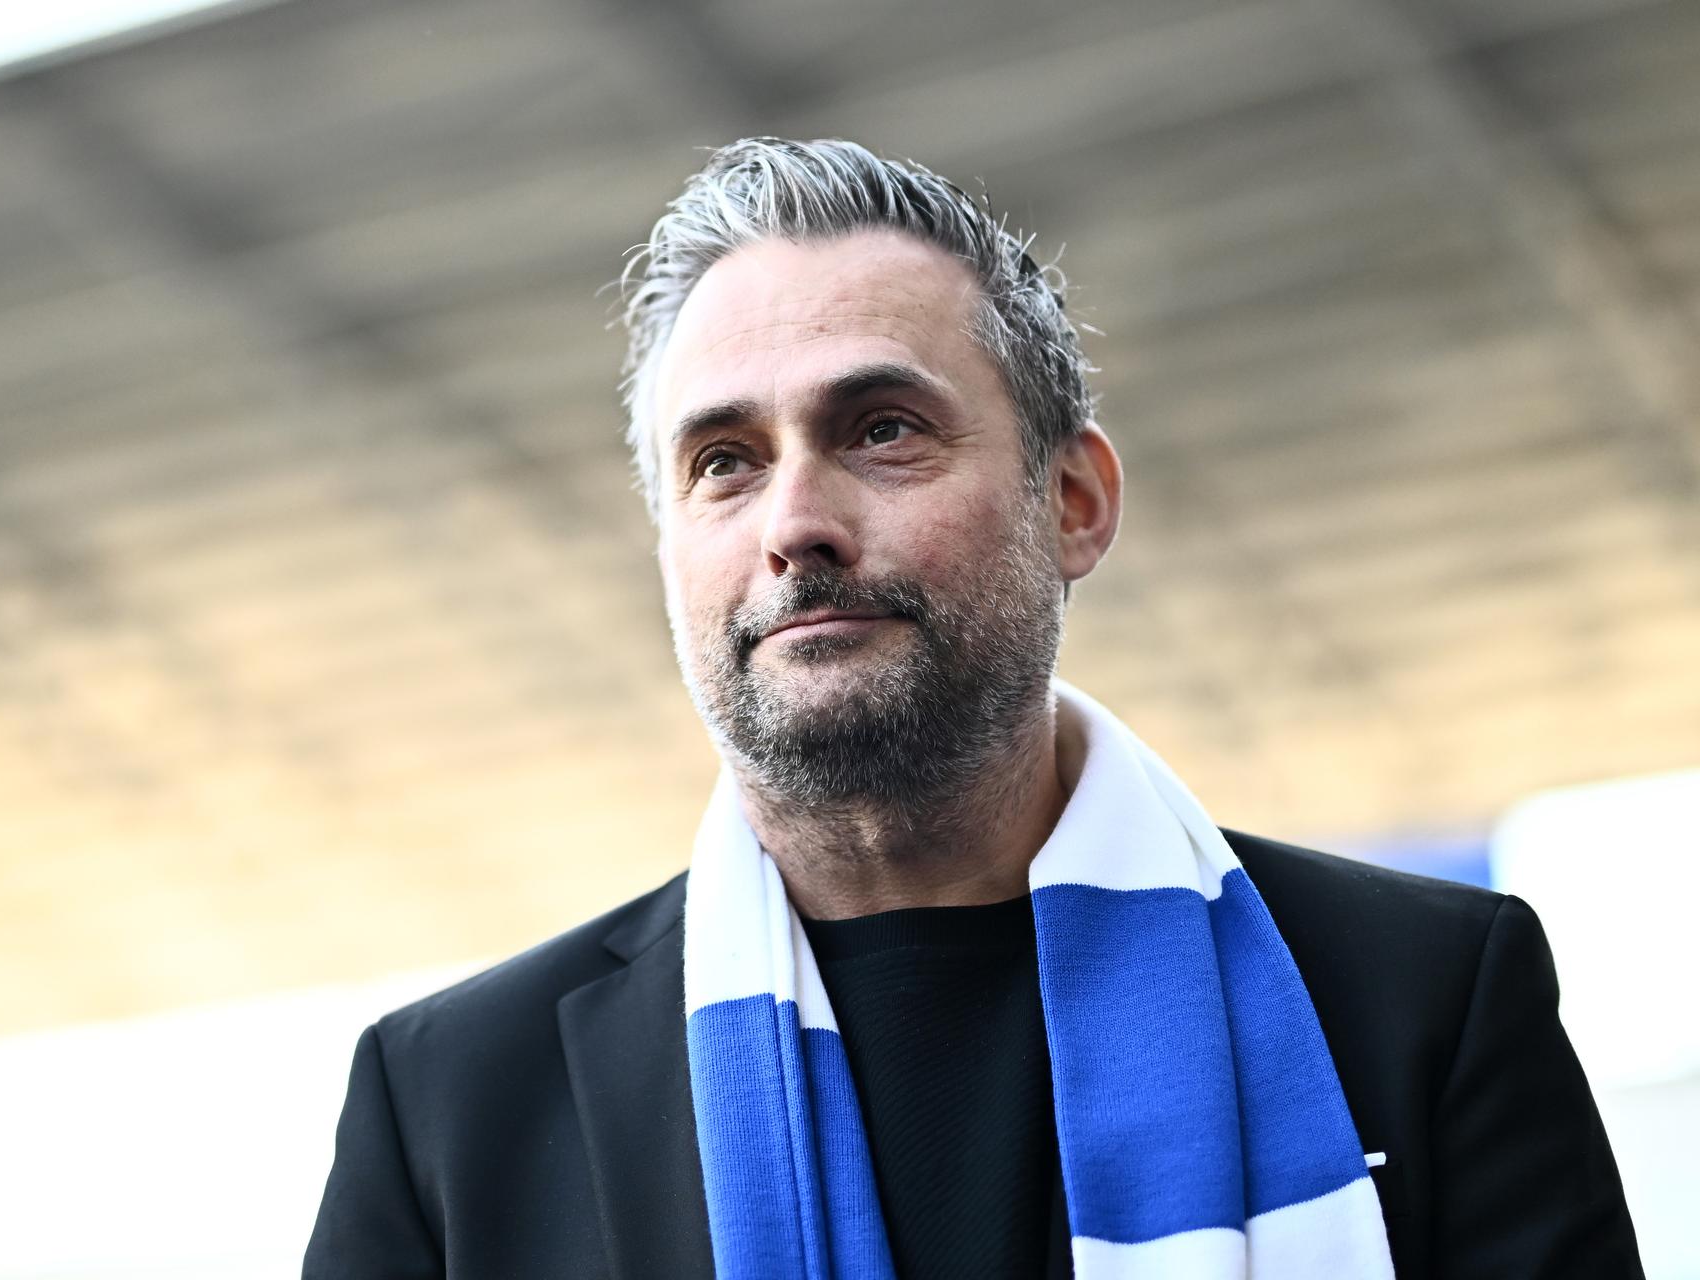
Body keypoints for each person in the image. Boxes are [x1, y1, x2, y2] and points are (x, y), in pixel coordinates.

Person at [302, 138, 1640, 1279]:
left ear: (1073, 504)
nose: (796, 525)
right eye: (724, 462)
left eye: (882, 429)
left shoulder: (1424, 999)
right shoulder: (450, 1105)